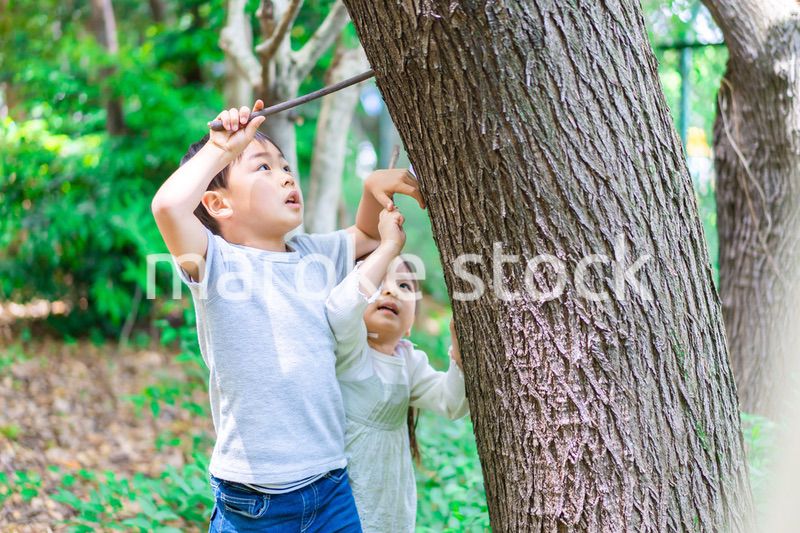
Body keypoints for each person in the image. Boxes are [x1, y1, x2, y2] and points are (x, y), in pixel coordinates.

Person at [150, 99, 424, 531]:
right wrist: (221, 148)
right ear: (218, 204)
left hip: (330, 483)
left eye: (285, 166)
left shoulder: (313, 254)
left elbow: (368, 234)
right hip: (254, 498)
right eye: (263, 167)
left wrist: (372, 186)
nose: (285, 176)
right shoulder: (215, 262)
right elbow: (168, 208)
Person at [325, 208, 469, 532]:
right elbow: (341, 311)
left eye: (404, 285)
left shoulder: (408, 361)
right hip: (345, 504)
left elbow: (452, 402)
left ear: (410, 324)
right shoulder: (349, 350)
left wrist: (459, 352)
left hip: (390, 507)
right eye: (378, 282)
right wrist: (388, 244)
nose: (390, 290)